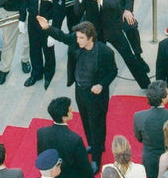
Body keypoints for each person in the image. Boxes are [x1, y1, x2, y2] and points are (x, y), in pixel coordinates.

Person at [39, 20, 118, 167]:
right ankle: (94, 146)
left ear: (91, 37)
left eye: (81, 38)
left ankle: (96, 159)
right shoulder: (76, 41)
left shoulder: (105, 52)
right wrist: (47, 28)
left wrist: (101, 85)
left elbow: (113, 71)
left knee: (96, 125)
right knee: (86, 121)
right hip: (80, 91)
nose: (78, 40)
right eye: (77, 37)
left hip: (95, 95)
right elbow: (62, 36)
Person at [71, 0, 150, 89]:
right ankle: (99, 86)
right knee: (97, 60)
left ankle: (145, 84)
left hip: (113, 29)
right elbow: (77, 11)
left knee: (129, 56)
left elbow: (115, 4)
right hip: (95, 31)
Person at [21, 0, 65, 88]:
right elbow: (24, 0)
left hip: (47, 25)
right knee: (34, 49)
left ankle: (49, 74)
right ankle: (36, 73)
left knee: (48, 50)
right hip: (33, 22)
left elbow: (59, 13)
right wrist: (21, 19)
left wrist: (54, 33)